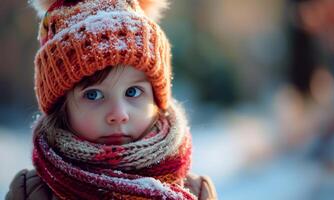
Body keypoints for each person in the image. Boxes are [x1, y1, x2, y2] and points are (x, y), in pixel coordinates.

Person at [6, 0, 217, 199]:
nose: (118, 114)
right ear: (62, 107)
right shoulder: (31, 193)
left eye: (133, 92)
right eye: (93, 95)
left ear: (157, 98)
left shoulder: (194, 192)